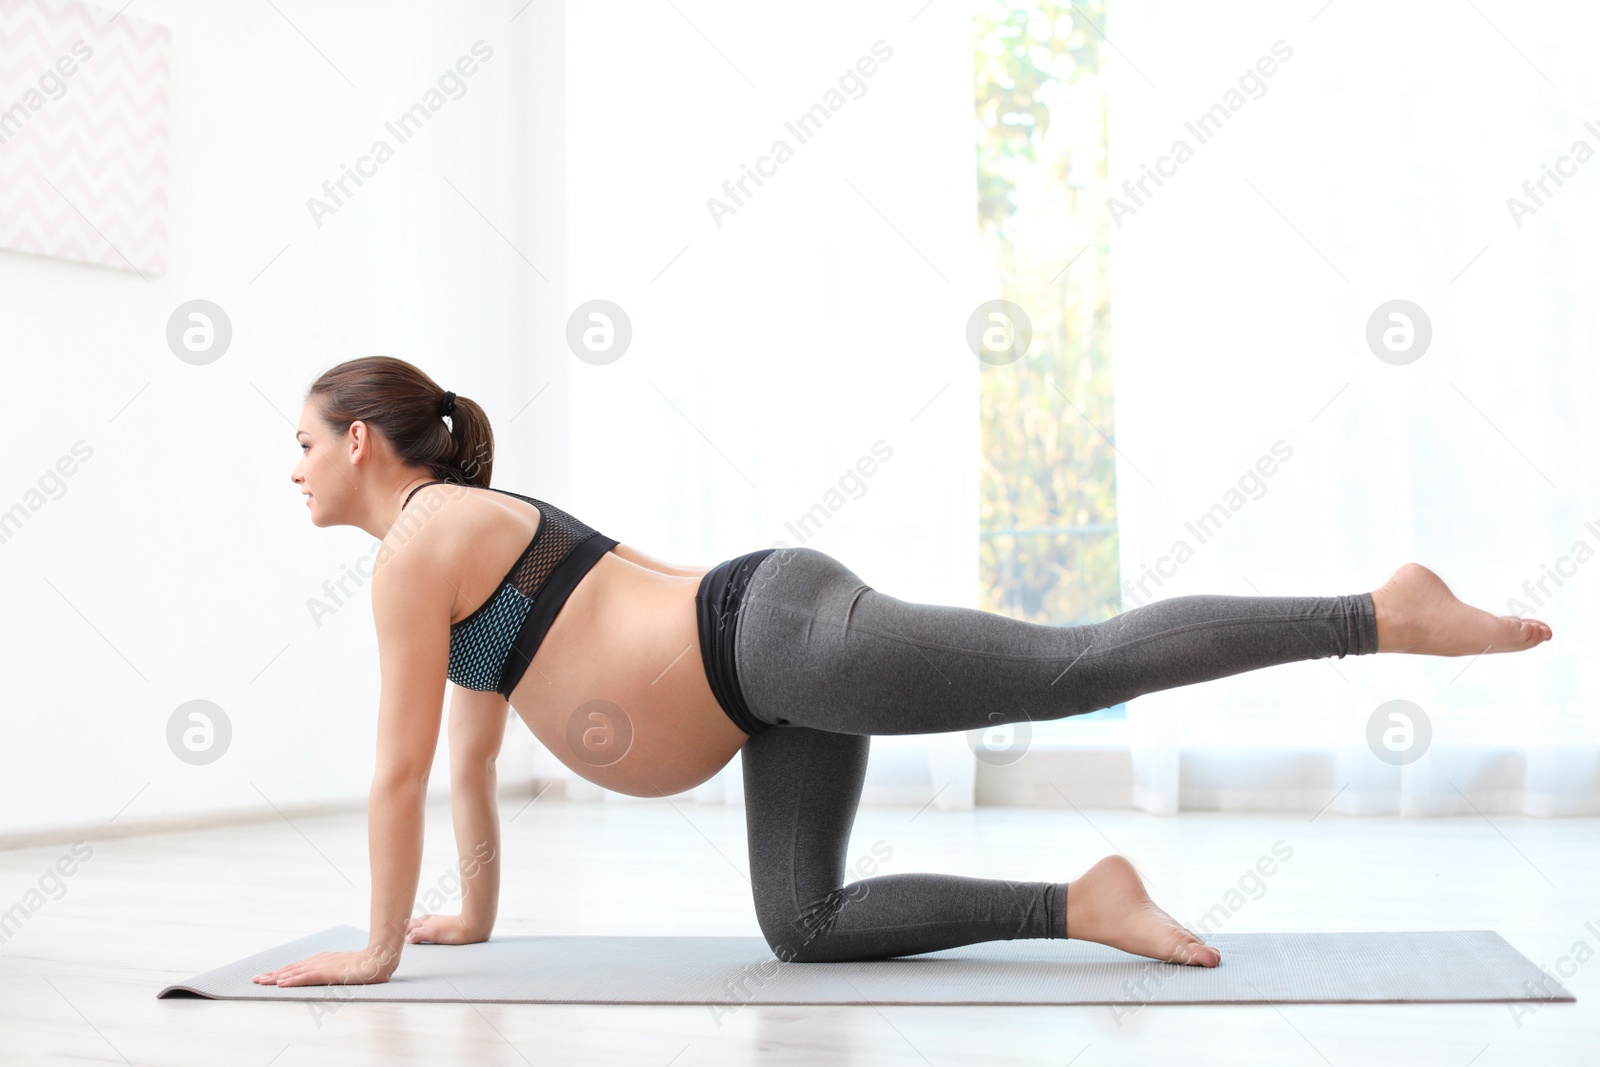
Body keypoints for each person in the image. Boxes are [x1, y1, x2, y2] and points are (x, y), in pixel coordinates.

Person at [255, 356, 1553, 988]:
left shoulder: (421, 544)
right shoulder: (449, 552)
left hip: (765, 637)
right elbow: (467, 768)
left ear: (362, 442)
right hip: (760, 692)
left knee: (1073, 666)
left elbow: (398, 771)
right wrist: (468, 918)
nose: (297, 468)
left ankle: (1374, 614)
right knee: (803, 929)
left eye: (304, 445)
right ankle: (1083, 903)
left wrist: (376, 949)